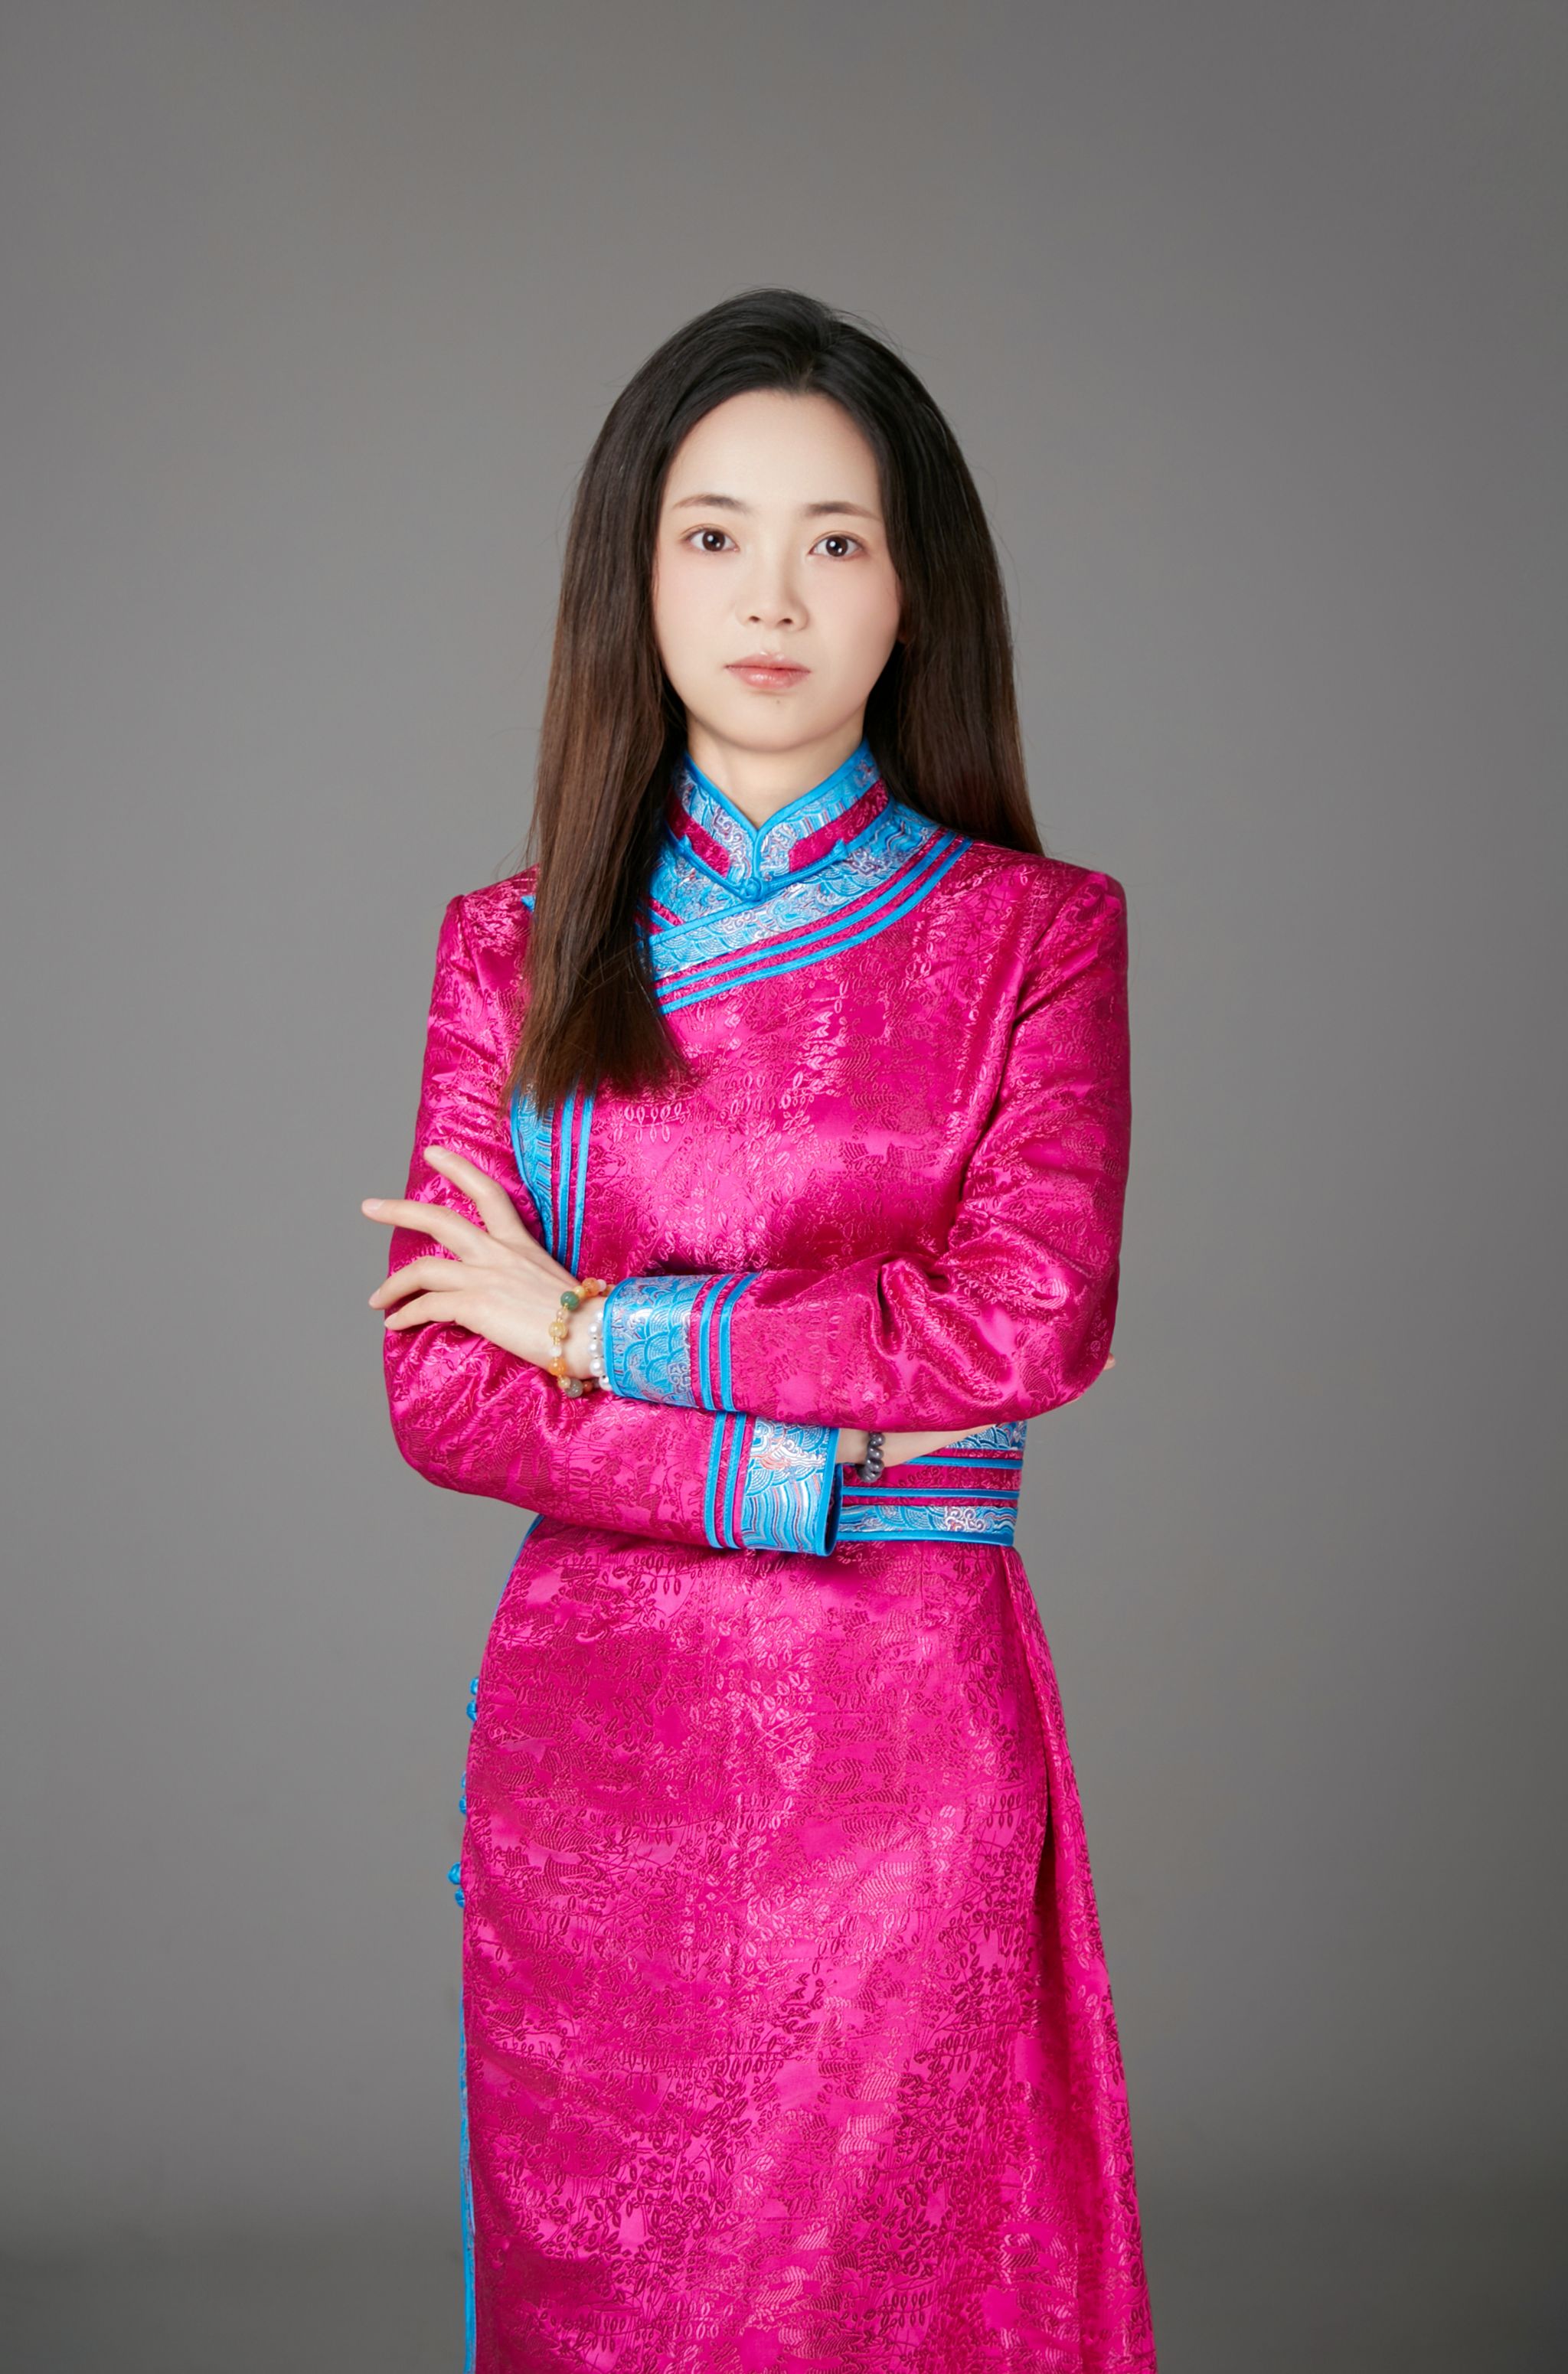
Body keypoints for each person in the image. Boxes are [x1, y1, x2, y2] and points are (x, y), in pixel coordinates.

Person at [361, 286, 1158, 2372]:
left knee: (882, 2291)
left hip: (901, 1742)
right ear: (634, 582)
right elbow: (441, 1383)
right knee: (617, 2306)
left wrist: (596, 1330)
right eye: (711, 535)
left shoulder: (1035, 937)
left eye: (836, 538)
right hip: (593, 1757)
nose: (772, 595)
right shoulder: (512, 952)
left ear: (915, 590)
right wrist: (804, 1475)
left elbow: (1022, 1326)